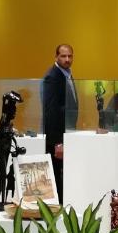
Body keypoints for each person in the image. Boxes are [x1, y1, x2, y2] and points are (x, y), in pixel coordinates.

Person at [41, 43, 77, 201]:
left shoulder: (67, 74)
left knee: (65, 175)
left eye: (70, 56)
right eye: (63, 56)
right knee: (56, 176)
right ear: (56, 57)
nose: (67, 59)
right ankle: (57, 210)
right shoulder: (53, 77)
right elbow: (51, 111)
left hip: (67, 133)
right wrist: (57, 142)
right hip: (57, 138)